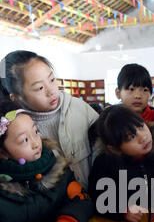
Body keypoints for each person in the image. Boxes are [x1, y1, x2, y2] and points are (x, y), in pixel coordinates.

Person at [0, 100, 94, 222]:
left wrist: (68, 221)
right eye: (24, 140)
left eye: (35, 132)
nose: (36, 143)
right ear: (3, 152)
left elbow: (81, 198)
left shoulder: (56, 167)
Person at [0, 50, 99, 189]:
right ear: (16, 98)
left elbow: (105, 153)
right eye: (39, 88)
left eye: (52, 80)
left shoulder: (80, 109)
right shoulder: (17, 130)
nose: (51, 91)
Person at [88, 105, 154, 222]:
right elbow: (98, 198)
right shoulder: (105, 164)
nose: (143, 137)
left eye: (141, 127)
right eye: (131, 137)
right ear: (114, 148)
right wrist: (123, 211)